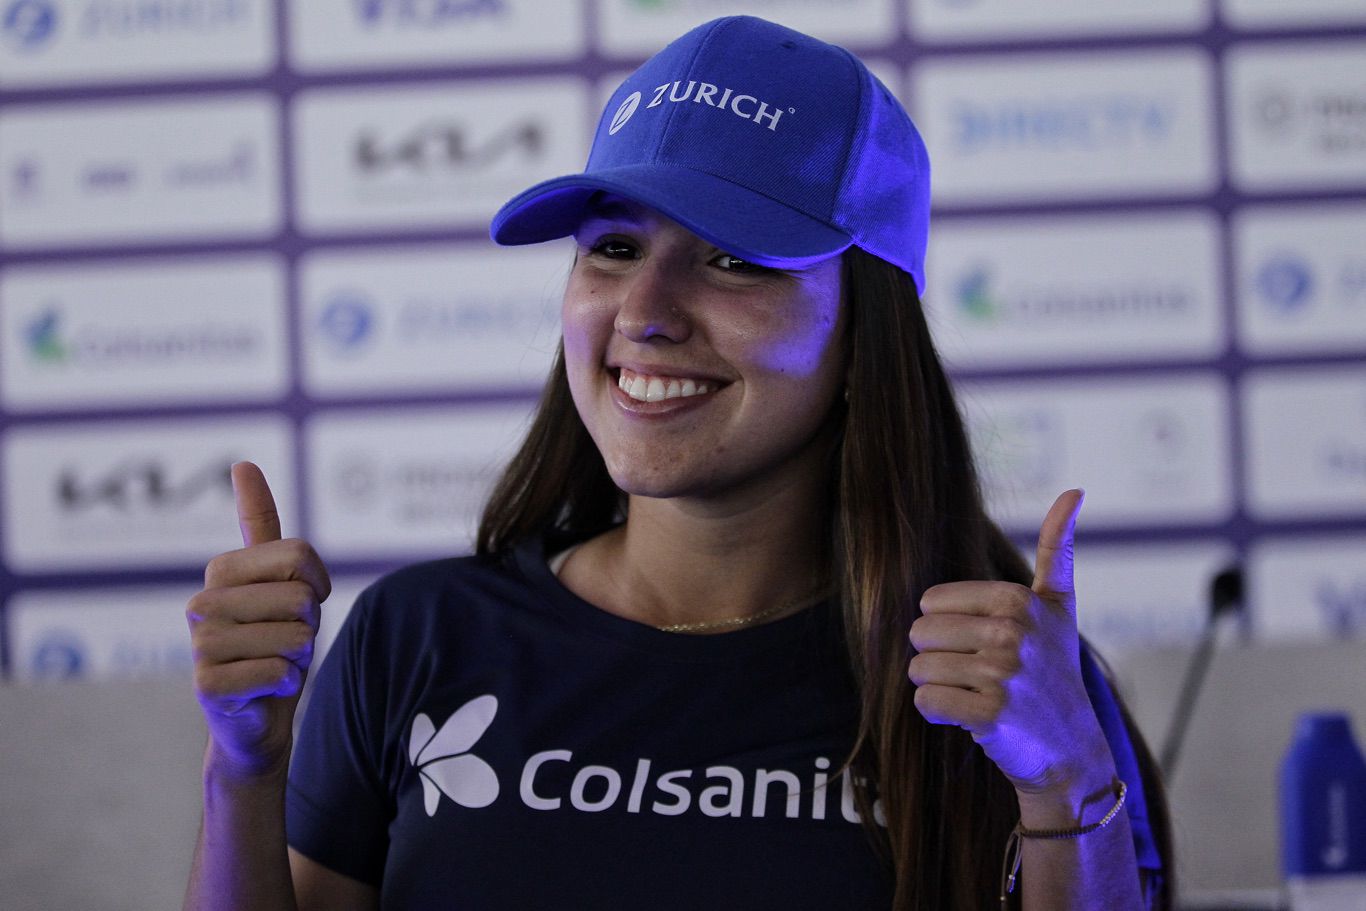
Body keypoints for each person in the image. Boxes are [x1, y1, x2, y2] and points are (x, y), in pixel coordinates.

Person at [184, 15, 1170, 911]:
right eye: (611, 246)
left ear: (866, 327)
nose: (645, 312)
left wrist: (1065, 780)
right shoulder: (415, 636)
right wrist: (243, 766)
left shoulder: (1003, 682)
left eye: (734, 256)